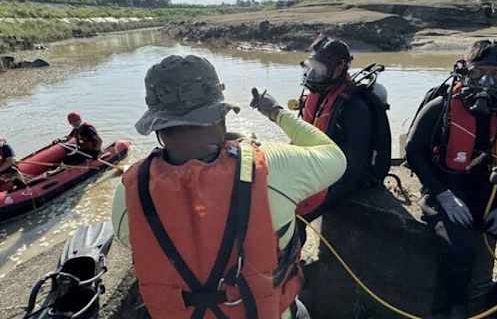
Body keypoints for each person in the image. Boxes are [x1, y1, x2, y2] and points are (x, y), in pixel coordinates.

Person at [111, 54, 346, 319]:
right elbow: (335, 157)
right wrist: (275, 113)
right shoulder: (270, 166)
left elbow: (132, 239)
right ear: (220, 115)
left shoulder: (130, 189)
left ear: (158, 126)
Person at [406, 40, 497, 319]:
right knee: (460, 250)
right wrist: (442, 195)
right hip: (447, 193)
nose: (487, 82)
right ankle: (455, 305)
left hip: (496, 197)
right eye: (478, 73)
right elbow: (414, 152)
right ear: (465, 74)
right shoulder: (442, 107)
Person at [295, 36, 391, 222]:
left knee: (298, 216)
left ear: (338, 68)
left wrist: (313, 191)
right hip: (321, 166)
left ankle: (292, 248)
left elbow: (354, 168)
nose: (314, 73)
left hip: (346, 177)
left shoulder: (354, 108)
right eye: (312, 66)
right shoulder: (321, 95)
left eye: (320, 69)